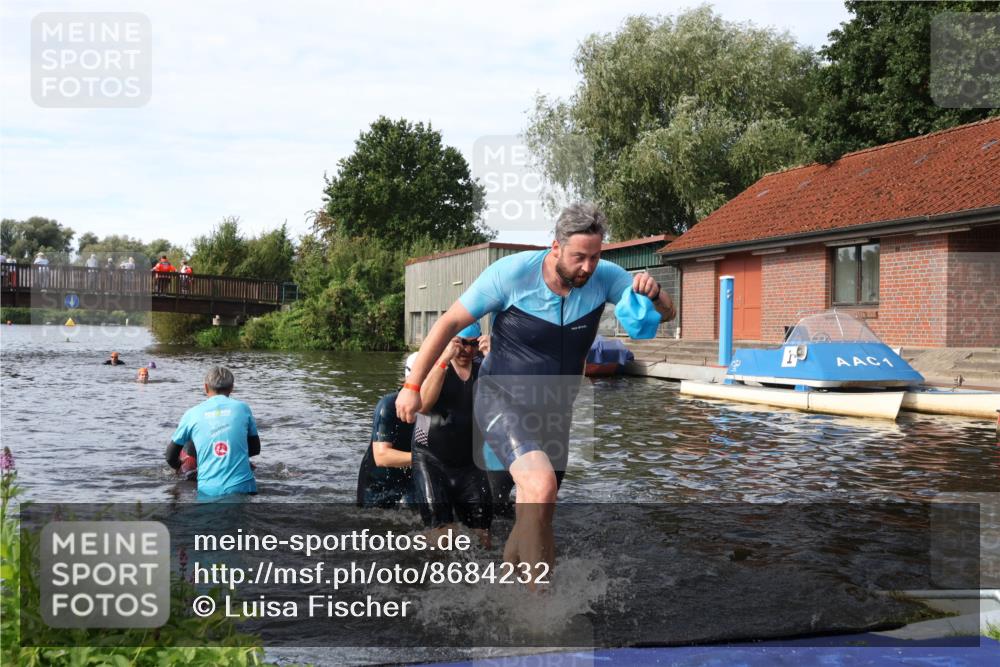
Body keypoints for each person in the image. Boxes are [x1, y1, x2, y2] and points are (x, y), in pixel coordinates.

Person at [397, 203, 676, 579]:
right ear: (555, 247)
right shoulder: (512, 274)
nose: (588, 267)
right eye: (579, 257)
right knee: (540, 485)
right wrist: (412, 386)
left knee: (538, 511)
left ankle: (508, 590)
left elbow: (666, 314)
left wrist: (654, 294)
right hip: (501, 401)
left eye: (595, 257)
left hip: (555, 411)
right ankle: (541, 611)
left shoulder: (605, 277)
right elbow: (448, 322)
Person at [411, 322, 492, 547]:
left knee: (482, 536)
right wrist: (444, 359)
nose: (466, 350)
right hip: (431, 460)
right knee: (442, 535)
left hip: (470, 463)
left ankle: (479, 581)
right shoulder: (434, 366)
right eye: (460, 343)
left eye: (472, 344)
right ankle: (435, 580)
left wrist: (493, 358)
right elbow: (423, 406)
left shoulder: (484, 367)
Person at [165, 366, 260, 496]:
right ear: (232, 387)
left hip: (208, 491)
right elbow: (255, 449)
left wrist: (178, 465)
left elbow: (170, 456)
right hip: (244, 487)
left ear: (205, 387)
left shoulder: (192, 414)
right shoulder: (243, 408)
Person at [356, 353, 417, 509]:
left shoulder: (436, 407)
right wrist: (426, 459)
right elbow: (382, 456)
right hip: (378, 488)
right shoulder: (388, 406)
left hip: (410, 483)